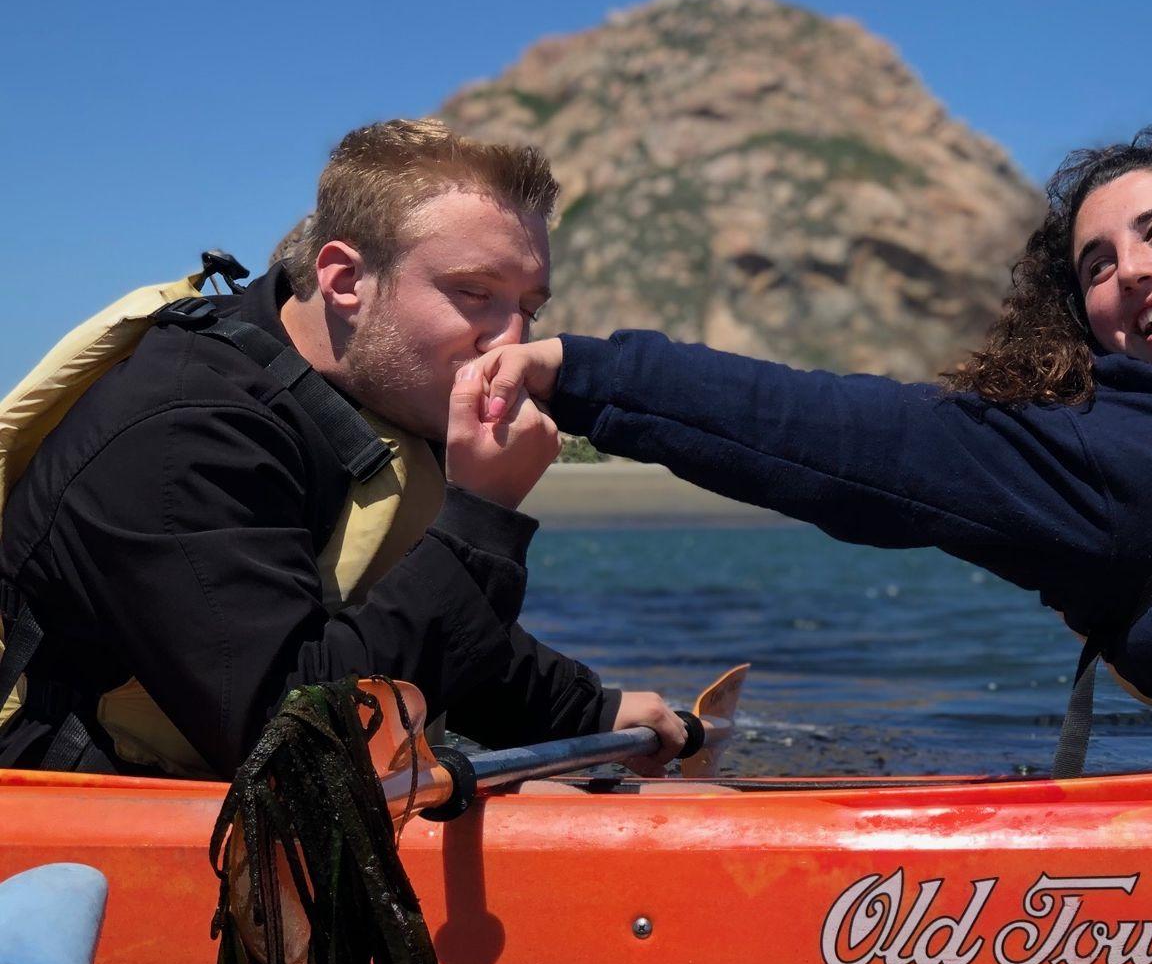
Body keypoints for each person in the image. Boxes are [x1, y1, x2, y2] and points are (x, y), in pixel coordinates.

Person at [478, 127, 1152, 762]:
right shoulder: (1091, 453)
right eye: (1094, 265)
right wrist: (579, 371)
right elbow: (848, 435)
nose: (1131, 270)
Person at [0, 120, 686, 777]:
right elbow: (293, 740)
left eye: (527, 309)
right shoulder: (186, 433)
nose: (508, 340)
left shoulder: (372, 388)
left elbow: (390, 619)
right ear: (345, 281)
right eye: (473, 293)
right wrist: (483, 513)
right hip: (74, 821)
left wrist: (584, 711)